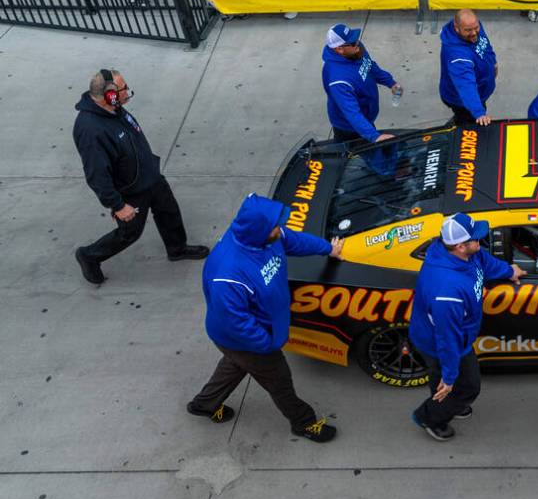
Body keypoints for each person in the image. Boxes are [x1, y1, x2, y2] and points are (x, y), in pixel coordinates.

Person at [188, 194, 344, 443]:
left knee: (235, 366)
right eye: (275, 225)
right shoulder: (227, 274)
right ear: (260, 229)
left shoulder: (266, 236)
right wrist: (268, 345)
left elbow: (292, 240)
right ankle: (304, 422)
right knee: (279, 381)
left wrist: (327, 249)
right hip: (247, 340)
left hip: (253, 336)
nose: (280, 229)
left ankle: (204, 404)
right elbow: (236, 324)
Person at [72, 69, 208, 285]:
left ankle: (177, 249)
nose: (128, 91)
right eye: (123, 88)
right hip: (131, 189)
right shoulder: (90, 130)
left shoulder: (115, 110)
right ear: (110, 95)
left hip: (150, 176)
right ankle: (89, 256)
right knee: (130, 233)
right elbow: (97, 175)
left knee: (169, 212)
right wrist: (117, 205)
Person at [409, 213, 525, 441]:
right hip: (442, 343)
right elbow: (448, 341)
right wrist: (450, 377)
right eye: (476, 239)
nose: (480, 242)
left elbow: (483, 261)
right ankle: (430, 417)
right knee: (468, 387)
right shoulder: (447, 292)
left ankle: (447, 401)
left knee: (442, 379)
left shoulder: (459, 253)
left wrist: (509, 271)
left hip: (448, 336)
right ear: (461, 246)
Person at [322, 23, 402, 144]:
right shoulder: (338, 80)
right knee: (356, 160)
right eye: (353, 42)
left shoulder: (355, 49)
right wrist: (374, 136)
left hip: (365, 118)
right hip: (350, 129)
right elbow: (352, 113)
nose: (358, 44)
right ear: (339, 49)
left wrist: (391, 83)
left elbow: (369, 65)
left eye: (356, 39)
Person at [439, 9, 498, 126]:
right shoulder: (457, 56)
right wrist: (479, 113)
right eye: (468, 30)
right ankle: (457, 125)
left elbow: (485, 44)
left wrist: (493, 62)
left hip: (480, 91)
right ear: (456, 28)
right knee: (469, 127)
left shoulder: (472, 26)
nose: (474, 33)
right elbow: (466, 86)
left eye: (476, 28)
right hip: (462, 101)